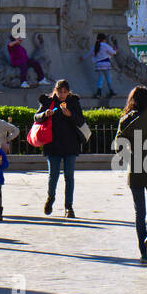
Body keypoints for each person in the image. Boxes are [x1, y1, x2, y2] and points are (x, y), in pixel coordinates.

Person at [115, 87, 147, 262]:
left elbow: (118, 147)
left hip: (135, 169)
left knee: (139, 212)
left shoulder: (125, 120)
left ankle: (143, 252)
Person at [34, 79, 87, 218]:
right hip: (53, 145)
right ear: (55, 90)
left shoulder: (73, 102)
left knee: (69, 177)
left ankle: (68, 206)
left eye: (65, 92)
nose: (62, 94)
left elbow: (81, 121)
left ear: (68, 92)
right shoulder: (48, 102)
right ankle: (50, 198)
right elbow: (36, 117)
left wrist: (70, 115)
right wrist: (45, 114)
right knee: (53, 175)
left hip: (70, 144)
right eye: (60, 91)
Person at [92, 34, 118, 99]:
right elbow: (114, 53)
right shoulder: (106, 46)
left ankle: (99, 93)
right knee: (108, 79)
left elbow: (89, 53)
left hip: (99, 65)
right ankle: (111, 91)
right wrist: (116, 47)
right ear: (104, 39)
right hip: (106, 64)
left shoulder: (95, 46)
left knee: (100, 78)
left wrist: (82, 57)